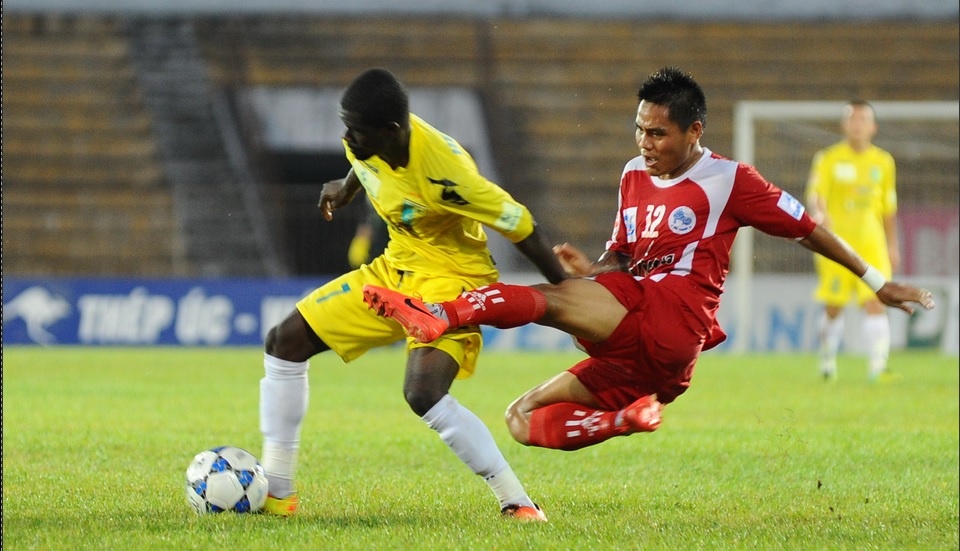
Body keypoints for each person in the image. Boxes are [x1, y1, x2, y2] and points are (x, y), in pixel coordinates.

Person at [362, 66, 936, 454]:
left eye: (658, 133)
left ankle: (442, 314)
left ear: (695, 131)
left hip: (678, 314)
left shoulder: (731, 179)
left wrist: (878, 282)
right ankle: (626, 418)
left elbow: (810, 231)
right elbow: (624, 257)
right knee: (522, 419)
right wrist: (595, 271)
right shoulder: (633, 175)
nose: (644, 143)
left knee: (553, 301)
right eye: (639, 129)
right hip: (652, 361)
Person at [258, 67, 568, 520]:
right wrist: (345, 190)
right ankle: (277, 492)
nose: (347, 136)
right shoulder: (364, 140)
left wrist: (566, 290)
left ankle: (517, 501)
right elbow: (363, 162)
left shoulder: (447, 175)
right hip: (394, 268)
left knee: (422, 393)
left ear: (391, 131)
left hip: (453, 278)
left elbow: (521, 226)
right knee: (284, 342)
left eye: (356, 131)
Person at [804, 100, 901, 382]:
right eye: (852, 119)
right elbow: (816, 193)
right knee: (834, 306)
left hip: (872, 245)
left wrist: (893, 244)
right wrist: (820, 212)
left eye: (863, 120)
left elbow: (888, 208)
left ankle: (878, 368)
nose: (857, 124)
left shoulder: (883, 162)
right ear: (844, 125)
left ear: (873, 127)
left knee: (875, 302)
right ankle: (827, 361)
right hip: (835, 245)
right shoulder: (828, 158)